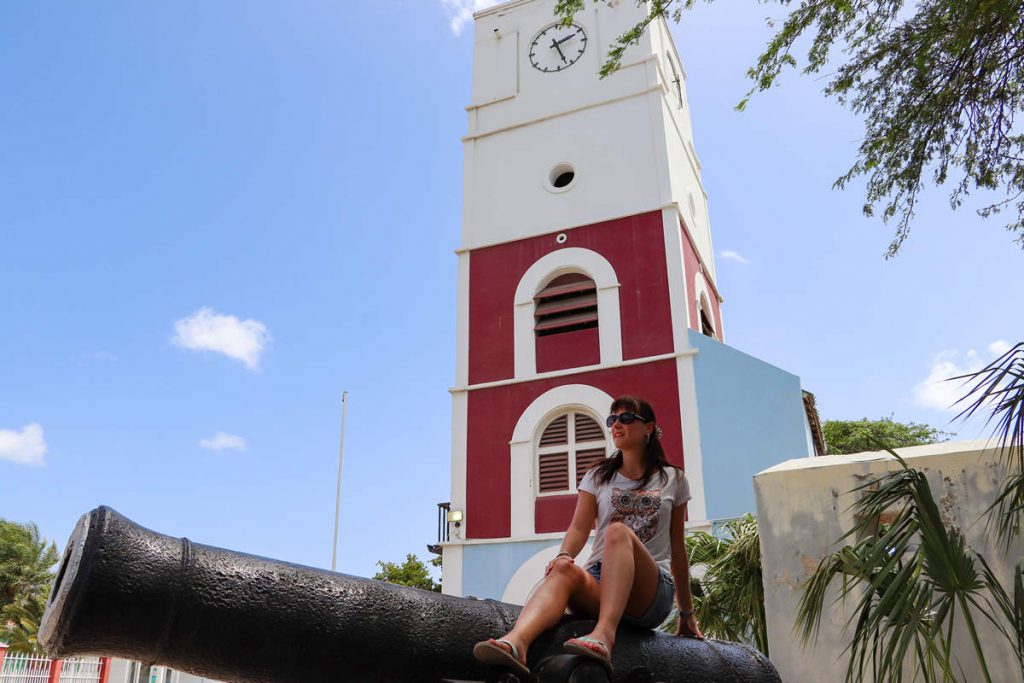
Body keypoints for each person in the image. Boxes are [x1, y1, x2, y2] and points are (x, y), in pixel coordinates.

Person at [473, 396, 703, 674]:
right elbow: (579, 528)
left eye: (626, 418)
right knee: (564, 570)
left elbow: (677, 547)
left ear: (649, 428)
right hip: (601, 578)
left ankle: (604, 633)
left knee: (618, 532)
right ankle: (517, 642)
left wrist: (686, 613)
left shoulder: (673, 479)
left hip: (650, 589)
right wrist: (564, 555)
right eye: (612, 420)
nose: (617, 424)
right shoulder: (598, 476)